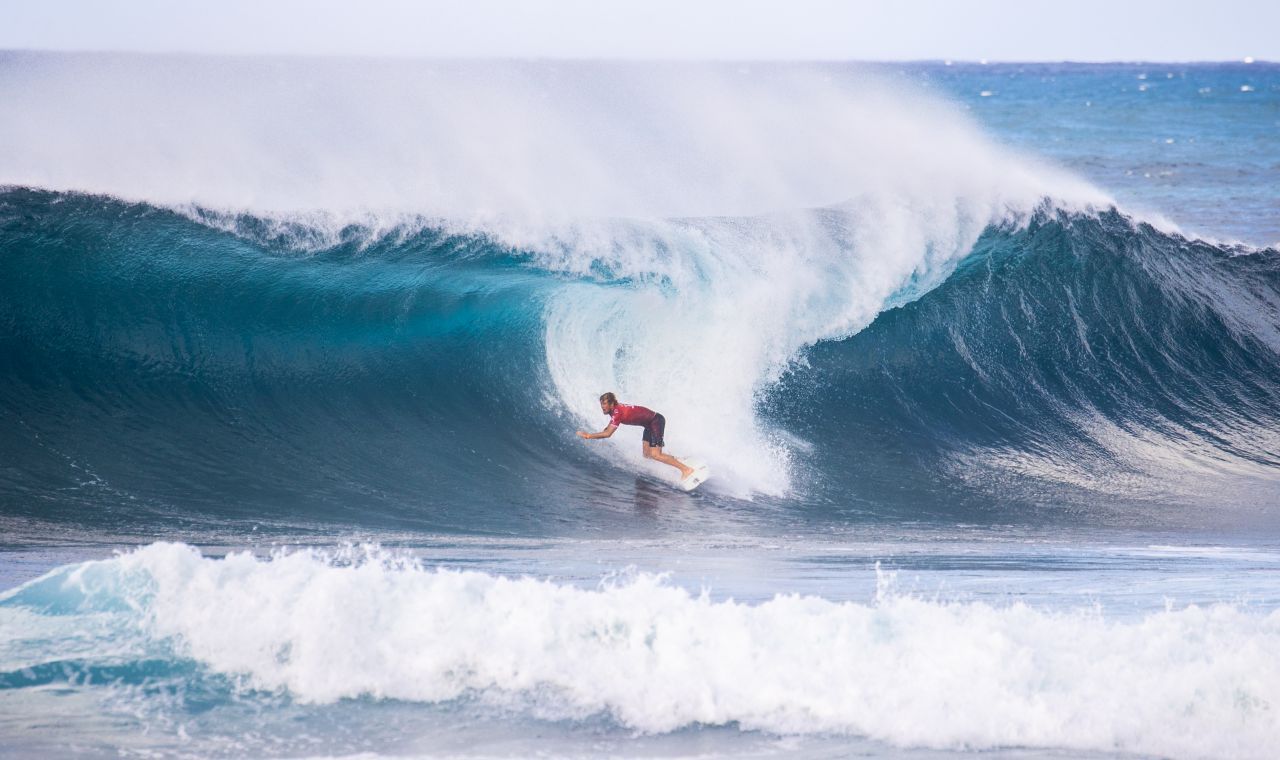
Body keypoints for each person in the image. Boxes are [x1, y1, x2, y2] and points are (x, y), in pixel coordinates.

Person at [577, 392, 696, 481]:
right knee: (647, 454)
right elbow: (608, 428)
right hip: (649, 425)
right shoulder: (614, 411)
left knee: (656, 454)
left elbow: (608, 434)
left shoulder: (617, 412)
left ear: (612, 404)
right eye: (602, 405)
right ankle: (677, 459)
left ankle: (686, 470)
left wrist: (588, 436)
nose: (602, 407)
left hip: (656, 421)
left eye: (605, 405)